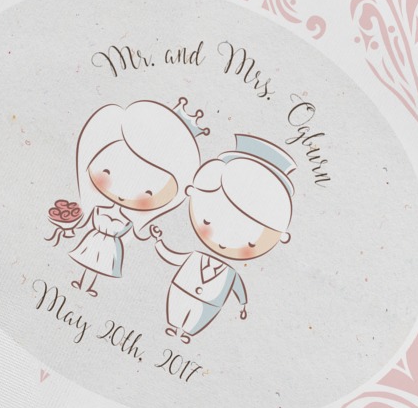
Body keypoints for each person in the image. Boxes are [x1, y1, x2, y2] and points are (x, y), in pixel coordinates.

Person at [153, 133, 296, 342]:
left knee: (197, 317)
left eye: (250, 242)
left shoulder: (230, 274)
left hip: (208, 303)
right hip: (181, 291)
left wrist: (243, 305)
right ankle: (173, 326)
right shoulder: (195, 257)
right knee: (177, 309)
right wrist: (158, 242)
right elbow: (173, 257)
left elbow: (238, 288)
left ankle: (187, 333)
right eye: (208, 222)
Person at [67, 99, 203, 296]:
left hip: (108, 249)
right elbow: (85, 221)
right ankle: (81, 283)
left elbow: (138, 234)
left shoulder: (128, 220)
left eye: (148, 192)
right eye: (107, 172)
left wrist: (153, 236)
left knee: (97, 267)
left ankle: (88, 287)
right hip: (93, 242)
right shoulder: (98, 209)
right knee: (88, 263)